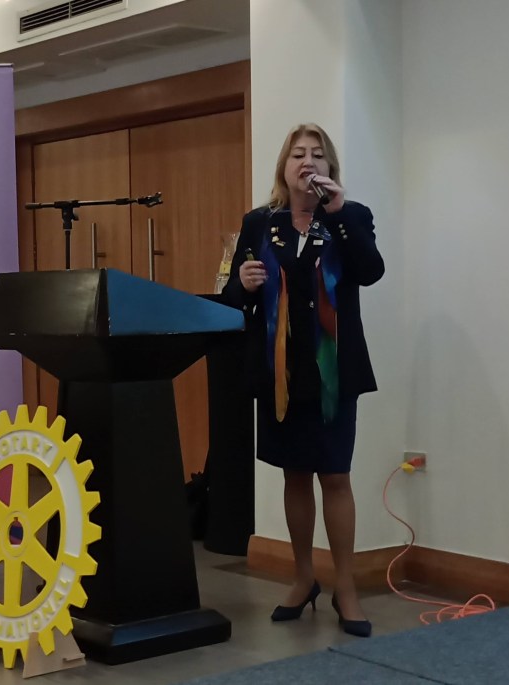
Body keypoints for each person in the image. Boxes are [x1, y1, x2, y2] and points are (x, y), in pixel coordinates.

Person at [222, 123, 384, 638]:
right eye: (298, 154)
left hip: (332, 370)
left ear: (330, 168)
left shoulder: (351, 217)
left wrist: (336, 212)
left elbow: (370, 270)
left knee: (335, 476)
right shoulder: (259, 223)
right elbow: (231, 296)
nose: (307, 162)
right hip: (280, 373)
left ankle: (346, 588)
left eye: (317, 154)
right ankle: (302, 578)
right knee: (294, 475)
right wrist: (243, 285)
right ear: (284, 167)